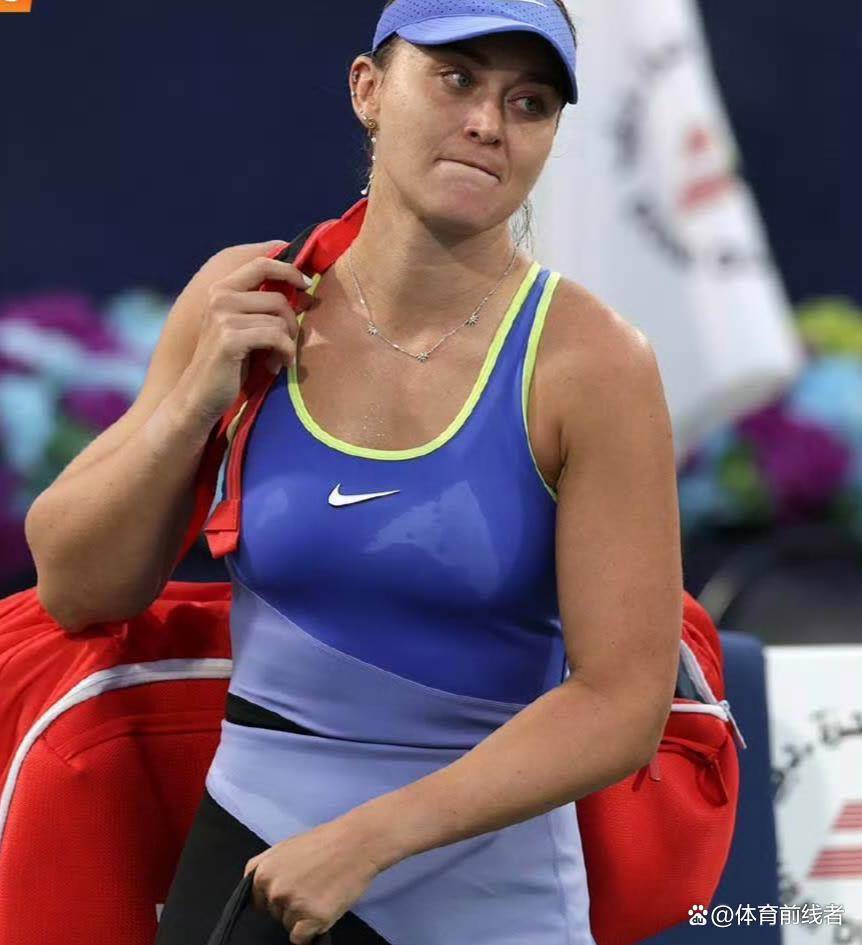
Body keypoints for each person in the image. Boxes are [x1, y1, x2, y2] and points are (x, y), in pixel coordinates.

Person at [26, 2, 684, 943]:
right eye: (456, 78)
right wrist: (194, 403)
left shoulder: (596, 364)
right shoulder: (247, 295)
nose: (488, 123)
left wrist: (366, 840)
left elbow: (621, 706)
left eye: (529, 102)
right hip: (247, 864)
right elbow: (78, 586)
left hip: (485, 906)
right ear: (368, 89)